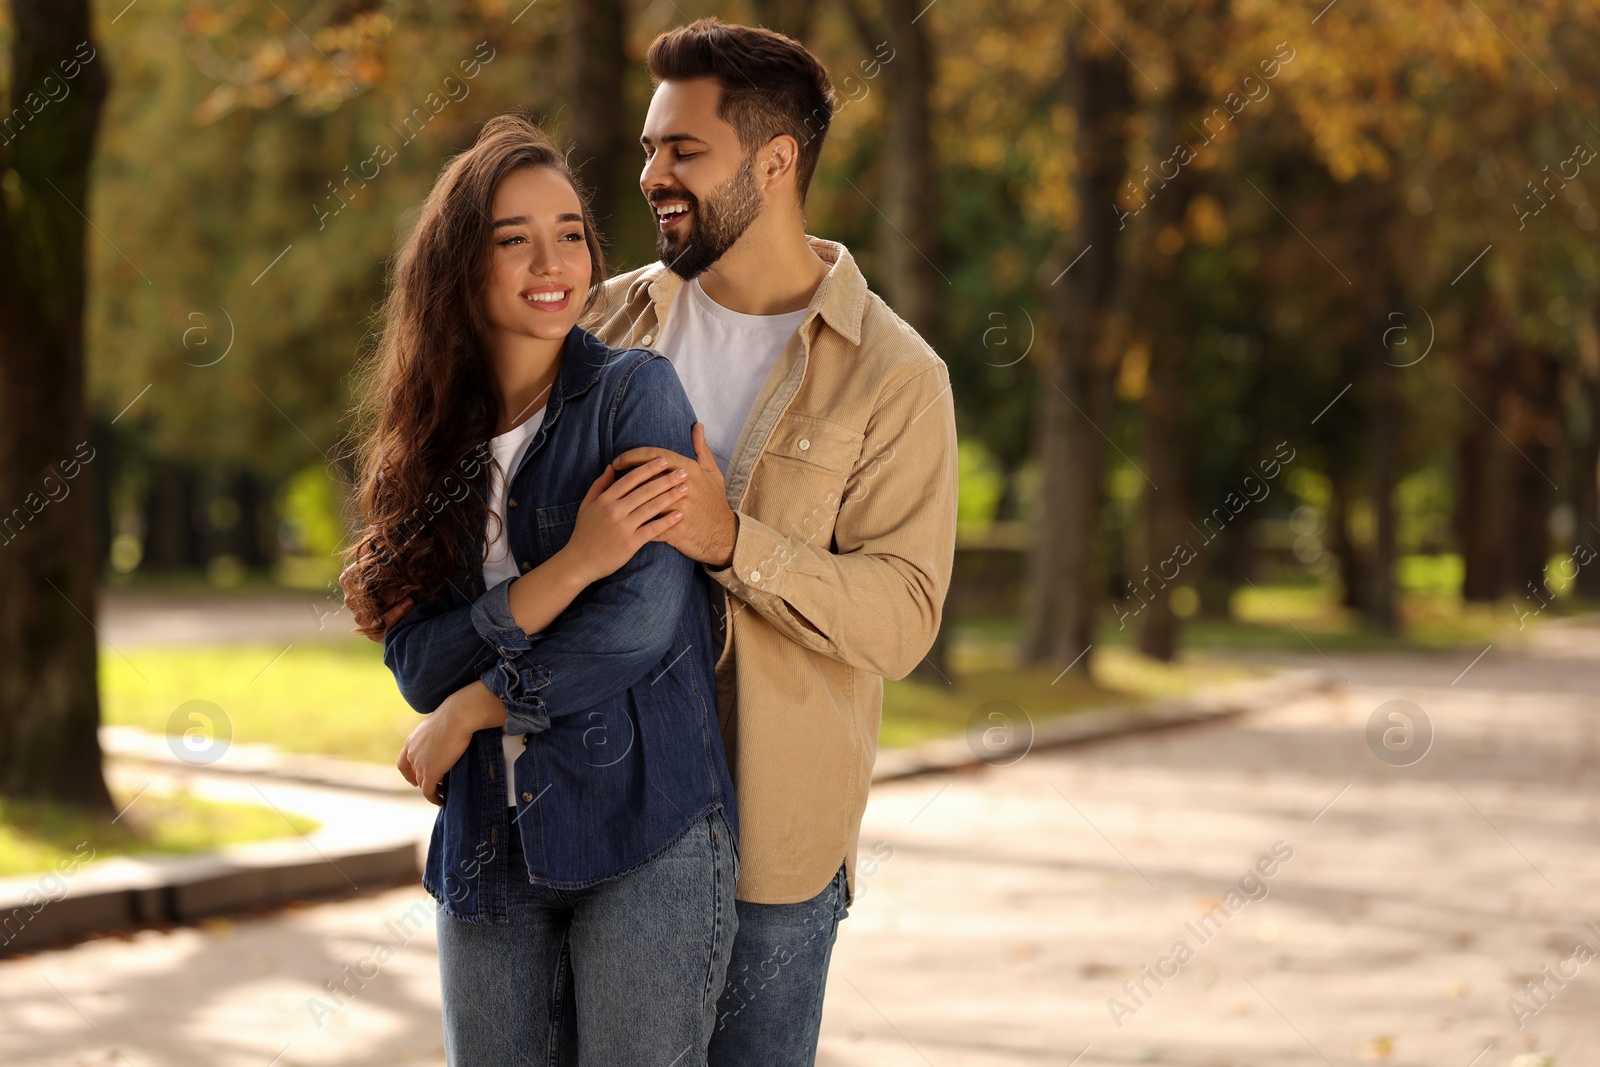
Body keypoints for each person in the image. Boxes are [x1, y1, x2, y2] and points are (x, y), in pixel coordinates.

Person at [587, 19, 959, 1065]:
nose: (653, 173)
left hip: (771, 851)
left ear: (776, 159)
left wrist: (729, 538)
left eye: (683, 150)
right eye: (652, 146)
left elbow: (899, 615)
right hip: (593, 811)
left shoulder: (892, 374)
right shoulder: (601, 326)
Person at [341, 114, 738, 1067]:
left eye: (569, 233)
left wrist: (476, 706)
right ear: (458, 268)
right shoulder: (424, 447)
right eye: (513, 240)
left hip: (648, 829)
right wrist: (572, 564)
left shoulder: (635, 394)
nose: (549, 259)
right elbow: (418, 667)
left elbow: (637, 626)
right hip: (487, 846)